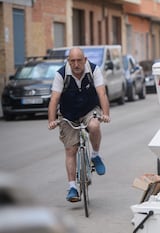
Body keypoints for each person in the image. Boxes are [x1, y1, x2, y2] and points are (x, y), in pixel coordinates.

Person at [48, 47, 111, 202]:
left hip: (89, 109)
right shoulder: (61, 74)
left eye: (79, 60)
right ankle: (72, 187)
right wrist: (51, 120)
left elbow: (102, 93)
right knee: (71, 149)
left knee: (95, 126)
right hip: (68, 114)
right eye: (72, 61)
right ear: (68, 61)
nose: (76, 64)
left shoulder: (94, 70)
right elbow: (54, 99)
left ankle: (95, 156)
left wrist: (106, 114)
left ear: (85, 59)